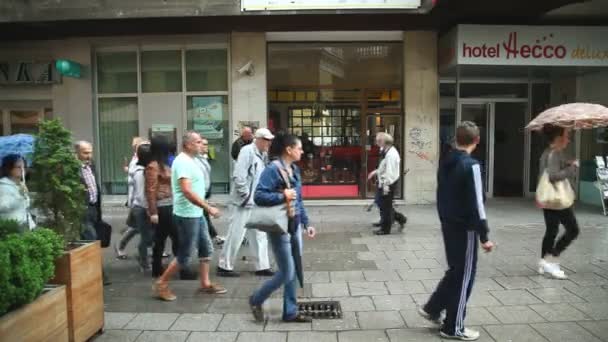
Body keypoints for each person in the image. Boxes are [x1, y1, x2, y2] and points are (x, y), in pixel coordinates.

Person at [417, 121, 495, 341]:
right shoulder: (472, 165)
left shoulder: (446, 162)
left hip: (448, 224)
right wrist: (484, 236)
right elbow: (477, 204)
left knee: (455, 270)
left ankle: (433, 307)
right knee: (464, 276)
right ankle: (453, 326)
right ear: (477, 141)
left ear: (456, 139)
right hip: (465, 228)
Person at [249, 132, 317, 323]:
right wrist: (282, 196)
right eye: (299, 148)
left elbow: (299, 199)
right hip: (279, 228)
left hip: (293, 225)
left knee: (294, 269)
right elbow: (259, 196)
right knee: (287, 271)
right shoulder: (273, 169)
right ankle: (256, 299)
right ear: (289, 149)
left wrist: (306, 223)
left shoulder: (294, 169)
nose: (302, 151)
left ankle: (290, 311)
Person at [153, 131, 226, 301]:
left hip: (195, 212)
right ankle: (161, 283)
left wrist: (204, 206)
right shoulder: (184, 162)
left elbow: (194, 187)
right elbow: (186, 190)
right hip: (187, 214)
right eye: (199, 142)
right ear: (188, 145)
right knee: (185, 255)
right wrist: (208, 207)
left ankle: (205, 283)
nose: (202, 144)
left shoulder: (191, 160)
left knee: (206, 248)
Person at [217, 128, 274, 277]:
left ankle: (262, 266)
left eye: (269, 140)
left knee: (260, 234)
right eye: (267, 140)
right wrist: (246, 196)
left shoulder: (263, 154)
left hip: (255, 200)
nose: (269, 143)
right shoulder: (247, 151)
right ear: (259, 139)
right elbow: (239, 176)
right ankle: (224, 266)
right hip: (244, 201)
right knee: (236, 233)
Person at [537, 124, 579, 279]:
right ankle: (551, 260)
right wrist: (571, 169)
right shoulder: (554, 153)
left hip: (549, 198)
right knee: (573, 230)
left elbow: (549, 172)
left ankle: (543, 262)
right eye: (566, 136)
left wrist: (566, 164)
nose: (568, 140)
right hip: (557, 198)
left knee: (552, 230)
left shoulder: (548, 153)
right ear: (558, 138)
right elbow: (553, 176)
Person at [145, 136, 182, 279]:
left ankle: (158, 268)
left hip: (169, 204)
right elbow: (150, 190)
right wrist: (153, 212)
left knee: (164, 239)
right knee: (170, 238)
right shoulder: (153, 166)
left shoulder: (162, 164)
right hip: (163, 206)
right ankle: (174, 268)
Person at [75, 141, 110, 285]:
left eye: (90, 152)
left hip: (94, 208)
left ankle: (92, 274)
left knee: (92, 241)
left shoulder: (91, 165)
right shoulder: (72, 169)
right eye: (85, 152)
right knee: (92, 240)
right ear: (76, 152)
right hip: (83, 209)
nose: (89, 155)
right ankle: (99, 275)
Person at [115, 137, 148, 259]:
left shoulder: (138, 160)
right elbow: (134, 180)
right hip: (138, 202)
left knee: (139, 228)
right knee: (138, 228)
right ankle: (121, 246)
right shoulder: (137, 162)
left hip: (138, 201)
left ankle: (153, 250)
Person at [371, 132, 407, 235]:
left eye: (379, 141)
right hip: (383, 181)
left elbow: (390, 172)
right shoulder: (384, 150)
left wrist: (386, 186)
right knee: (380, 202)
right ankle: (398, 219)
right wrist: (375, 172)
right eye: (377, 140)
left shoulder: (391, 154)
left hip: (388, 183)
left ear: (385, 142)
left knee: (385, 205)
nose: (377, 143)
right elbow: (383, 166)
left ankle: (385, 228)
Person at [127, 143, 155, 272]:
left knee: (150, 235)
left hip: (144, 207)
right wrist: (150, 210)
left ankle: (146, 259)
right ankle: (144, 262)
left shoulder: (146, 170)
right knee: (146, 237)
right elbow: (141, 194)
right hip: (142, 208)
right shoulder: (141, 172)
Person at [194, 137, 223, 246]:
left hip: (204, 191)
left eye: (206, 144)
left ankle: (210, 237)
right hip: (199, 192)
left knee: (203, 216)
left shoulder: (204, 158)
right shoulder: (196, 160)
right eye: (203, 144)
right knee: (203, 215)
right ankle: (212, 236)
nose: (205, 146)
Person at [0, 154, 35, 231]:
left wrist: (32, 225)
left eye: (24, 167)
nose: (23, 170)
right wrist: (20, 196)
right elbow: (3, 207)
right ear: (9, 168)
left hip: (26, 225)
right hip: (11, 228)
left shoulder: (21, 185)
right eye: (19, 167)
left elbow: (25, 206)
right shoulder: (3, 186)